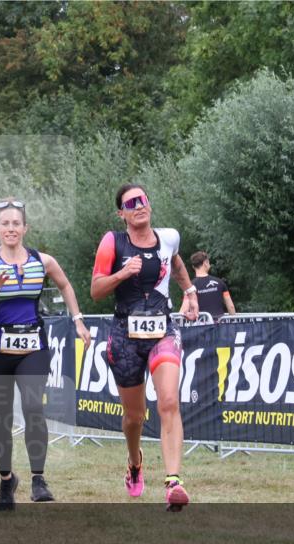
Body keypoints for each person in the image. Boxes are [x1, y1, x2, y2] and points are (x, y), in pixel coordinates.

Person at [0, 198, 91, 510]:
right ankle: (6, 480)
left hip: (33, 346)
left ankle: (39, 479)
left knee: (34, 407)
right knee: (1, 418)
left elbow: (65, 286)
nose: (10, 228)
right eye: (5, 224)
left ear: (25, 228)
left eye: (16, 223)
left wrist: (77, 320)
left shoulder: (42, 261)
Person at [90, 183, 198, 511]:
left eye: (142, 200)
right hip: (125, 335)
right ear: (121, 213)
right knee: (134, 417)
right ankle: (135, 461)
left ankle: (174, 481)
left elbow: (176, 264)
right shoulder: (113, 242)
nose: (138, 206)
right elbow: (96, 289)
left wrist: (190, 292)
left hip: (163, 330)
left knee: (169, 401)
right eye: (130, 203)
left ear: (149, 204)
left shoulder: (169, 237)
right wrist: (122, 273)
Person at [180, 251, 235, 321]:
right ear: (205, 263)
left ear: (193, 267)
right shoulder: (220, 282)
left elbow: (184, 309)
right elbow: (231, 306)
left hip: (200, 325)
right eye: (208, 262)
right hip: (219, 324)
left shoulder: (189, 287)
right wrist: (233, 321)